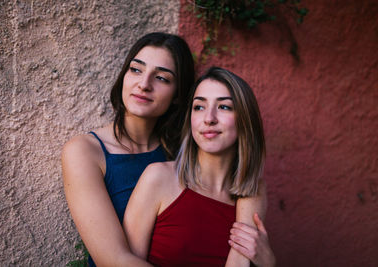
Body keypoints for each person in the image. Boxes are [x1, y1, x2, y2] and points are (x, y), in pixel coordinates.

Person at [62, 32, 275, 266]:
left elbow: (245, 188)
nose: (144, 84)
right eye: (135, 69)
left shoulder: (186, 150)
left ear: (178, 95)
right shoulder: (85, 151)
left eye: (162, 78)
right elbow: (113, 260)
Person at [123, 67, 274, 267]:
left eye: (224, 107)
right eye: (199, 107)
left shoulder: (252, 191)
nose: (209, 118)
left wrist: (269, 263)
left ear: (245, 120)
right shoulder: (159, 177)